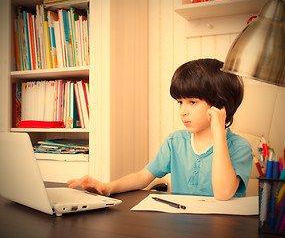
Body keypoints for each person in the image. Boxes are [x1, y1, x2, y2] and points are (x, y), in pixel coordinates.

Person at [68, 58, 253, 201]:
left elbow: (223, 193)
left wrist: (219, 131)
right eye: (180, 102)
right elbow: (142, 177)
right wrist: (107, 187)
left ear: (220, 105)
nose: (183, 111)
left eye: (192, 102)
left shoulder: (239, 147)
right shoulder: (175, 142)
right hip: (182, 226)